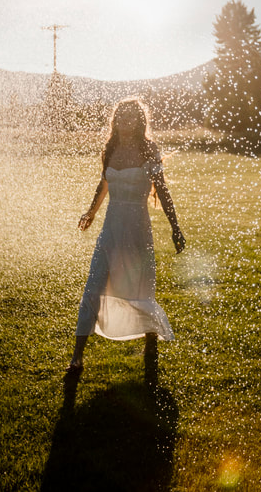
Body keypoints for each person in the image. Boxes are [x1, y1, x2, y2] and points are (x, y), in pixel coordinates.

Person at [67, 97, 185, 374]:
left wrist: (175, 226)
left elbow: (163, 190)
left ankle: (150, 342)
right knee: (93, 287)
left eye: (131, 118)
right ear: (115, 121)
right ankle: (76, 357)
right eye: (121, 118)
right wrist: (91, 212)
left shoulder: (149, 150)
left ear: (140, 121)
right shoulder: (110, 149)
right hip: (110, 229)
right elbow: (105, 181)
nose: (125, 123)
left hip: (137, 228)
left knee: (140, 288)